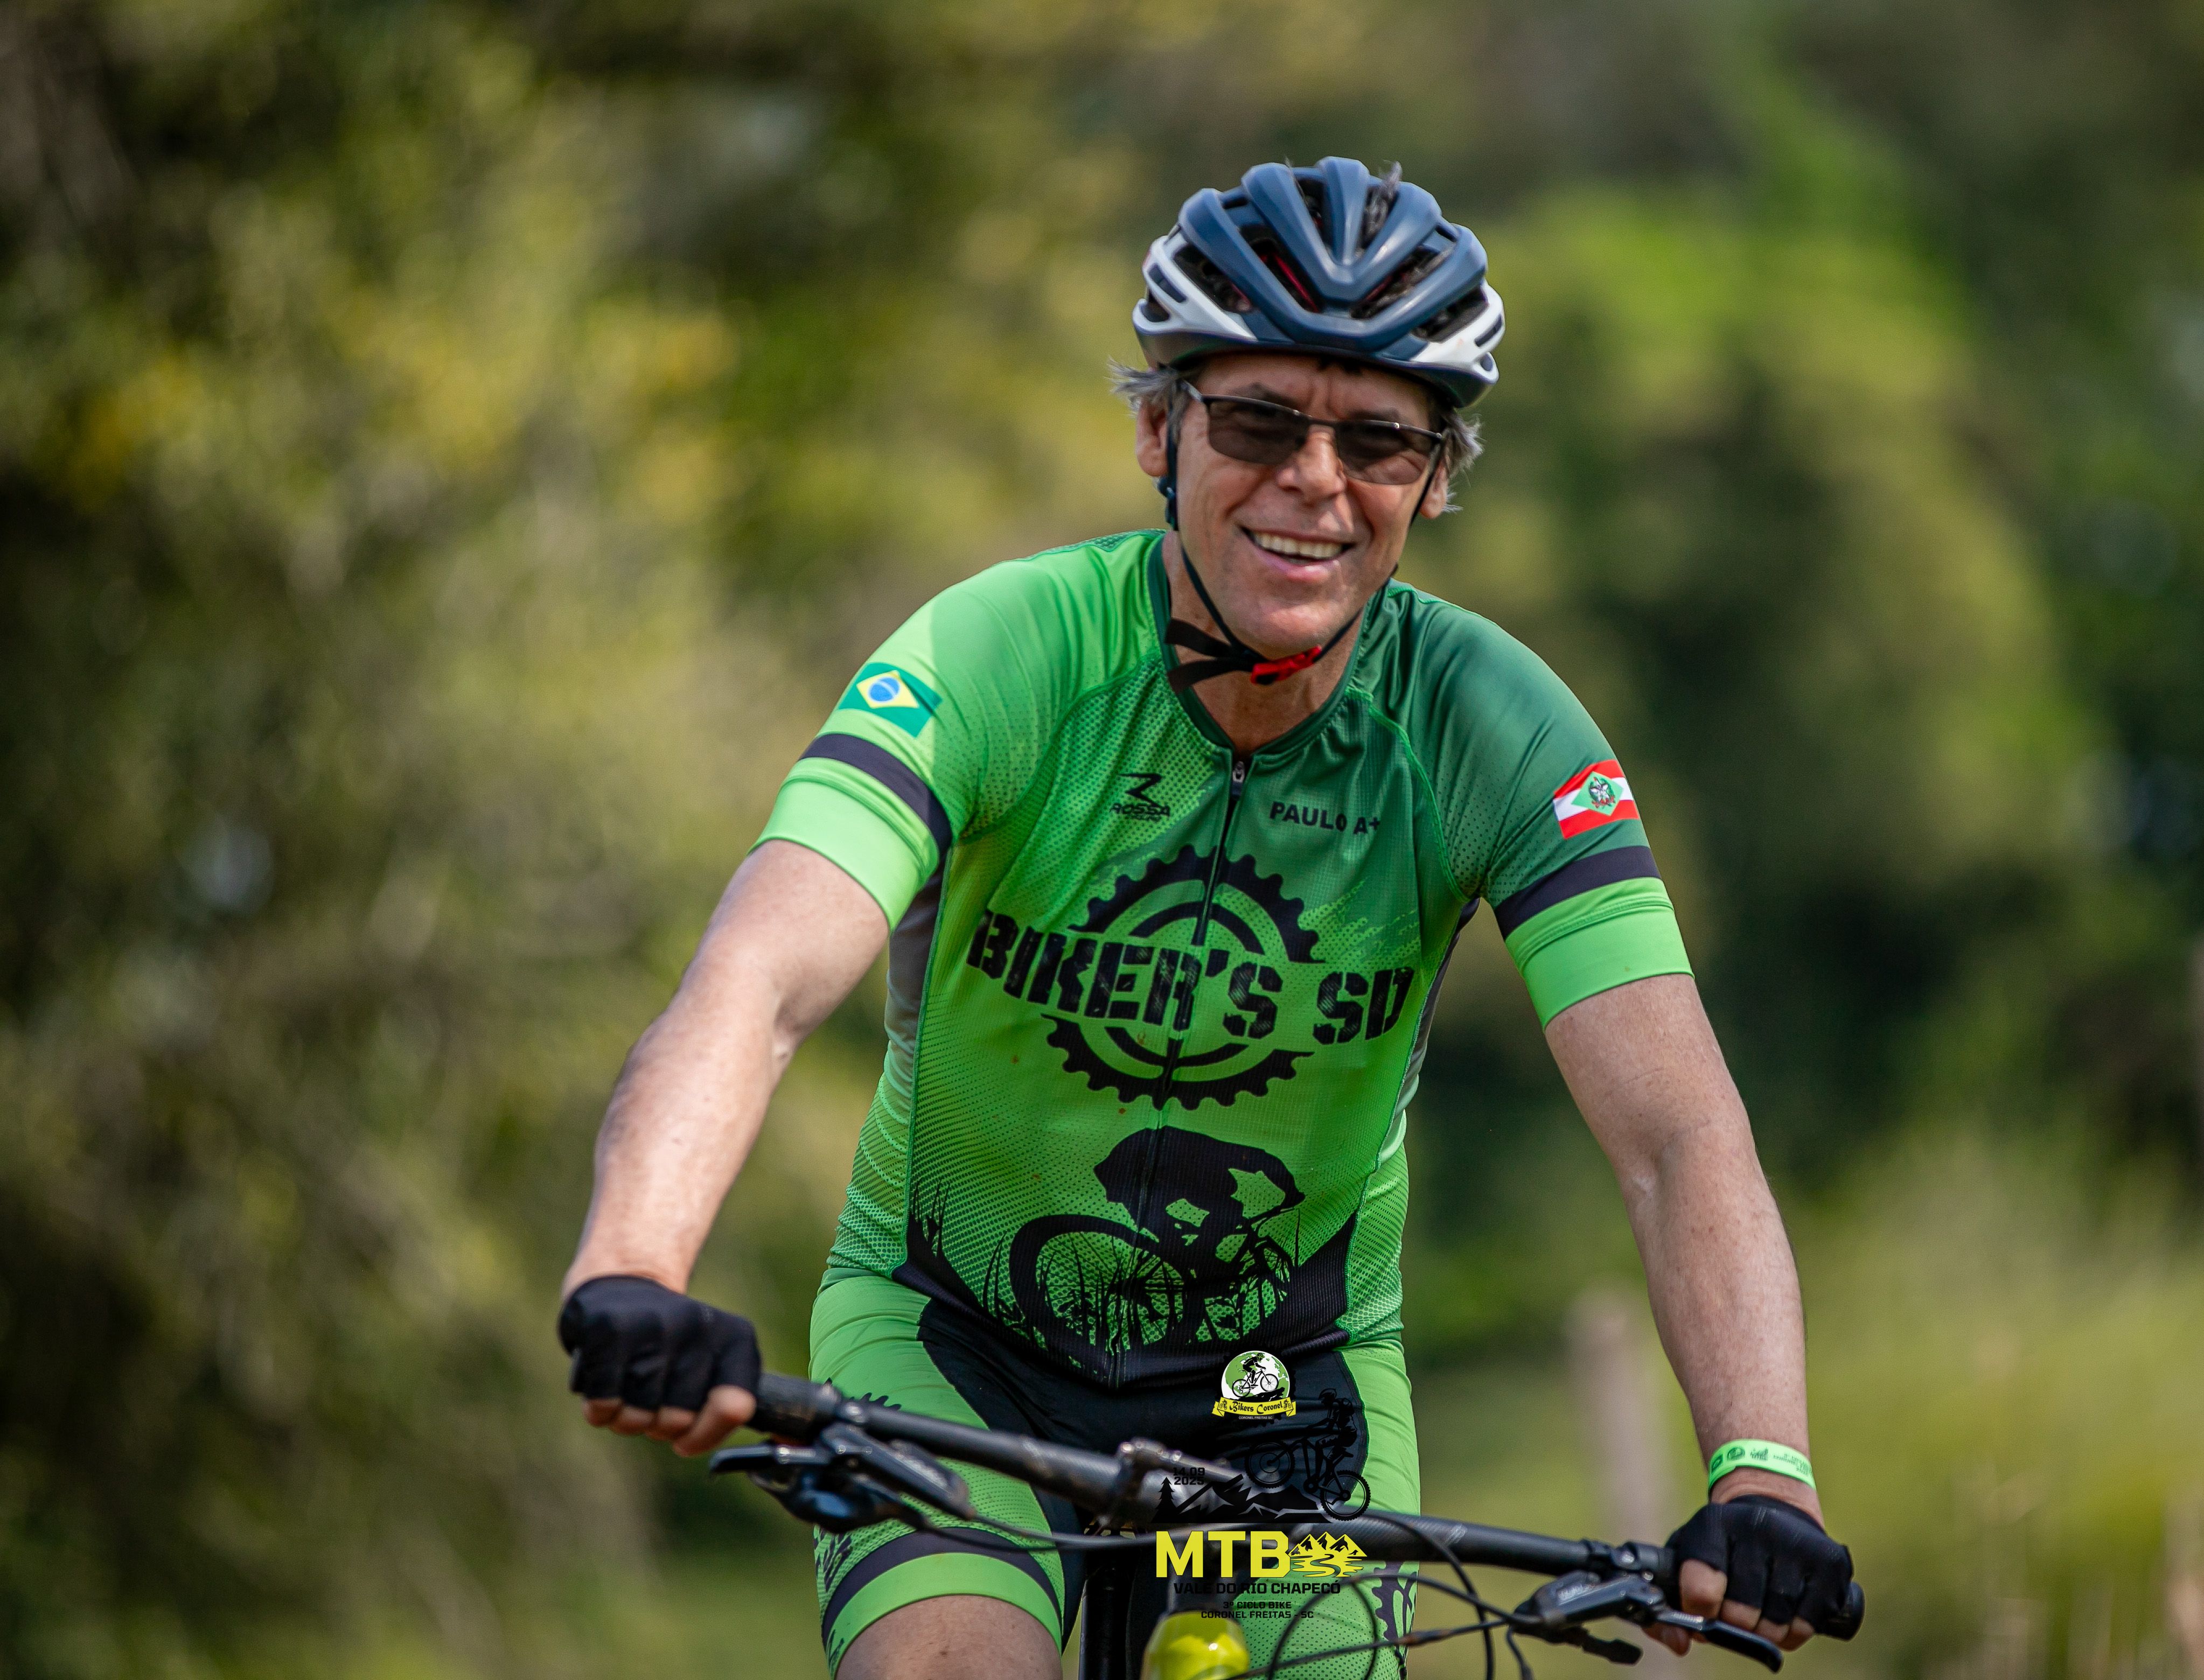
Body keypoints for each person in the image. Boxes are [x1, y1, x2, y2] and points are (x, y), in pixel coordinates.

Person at [557, 156, 1855, 1678]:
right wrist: (634, 1267)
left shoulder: (1496, 731)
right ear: (1157, 432)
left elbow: (1676, 1134)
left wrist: (1764, 1471)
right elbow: (760, 980)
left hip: (1288, 1393)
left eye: (1379, 440)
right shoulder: (1007, 655)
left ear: (1438, 477)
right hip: (956, 1346)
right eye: (1256, 423)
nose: (1315, 480)